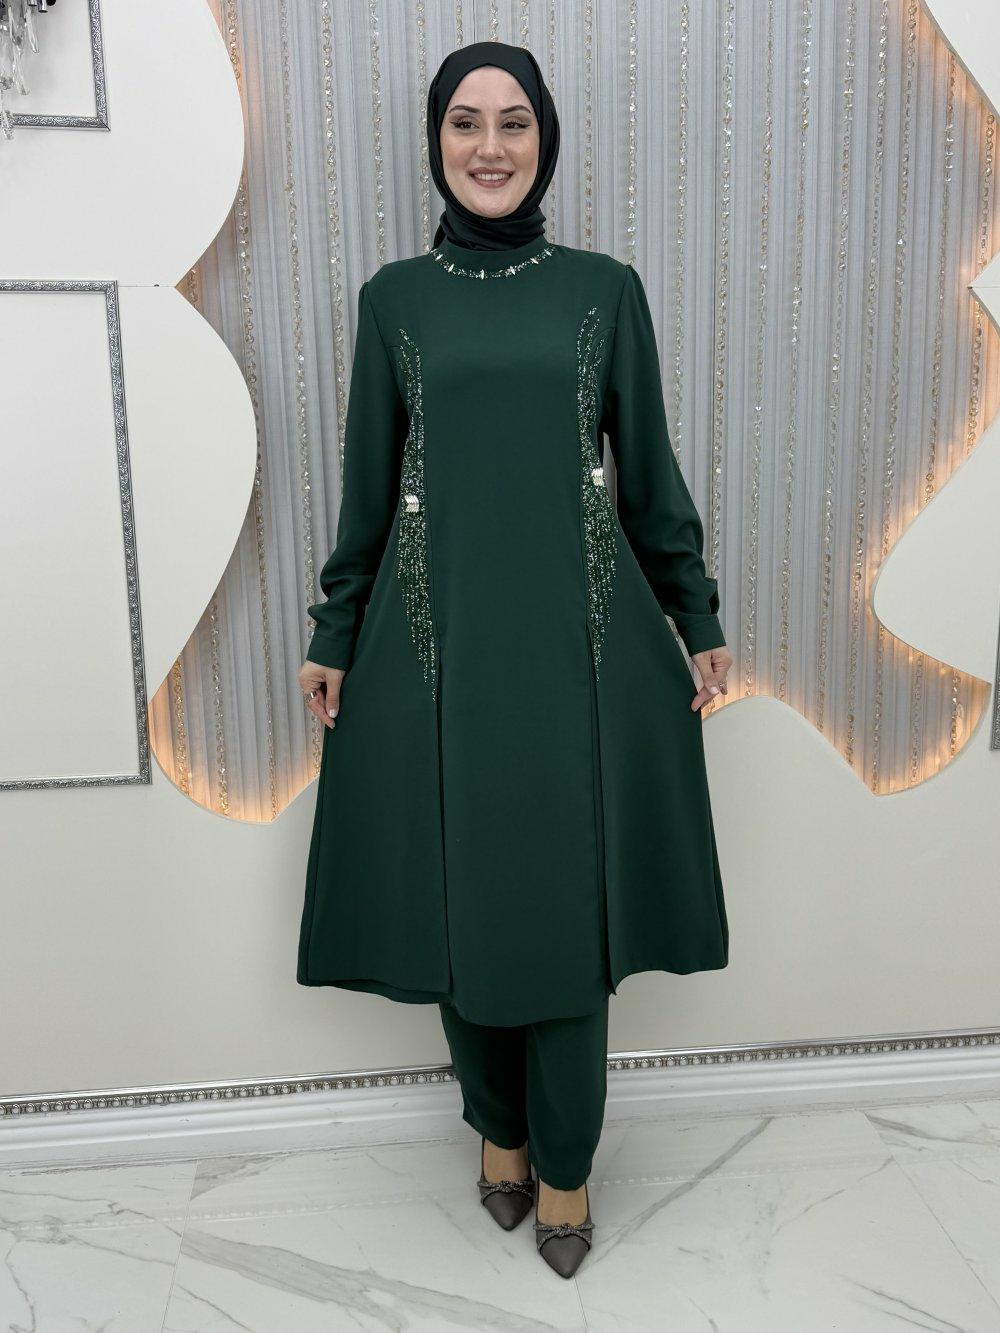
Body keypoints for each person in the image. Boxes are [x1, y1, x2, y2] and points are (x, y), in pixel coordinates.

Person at [296, 40, 733, 1279]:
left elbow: (646, 475)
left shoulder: (603, 291)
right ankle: (495, 1131)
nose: (489, 147)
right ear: (435, 142)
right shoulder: (394, 300)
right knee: (461, 905)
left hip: (579, 655)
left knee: (564, 917)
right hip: (431, 652)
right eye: (464, 123)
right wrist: (334, 630)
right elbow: (368, 486)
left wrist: (694, 613)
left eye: (514, 124)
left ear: (545, 140)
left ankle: (566, 1164)